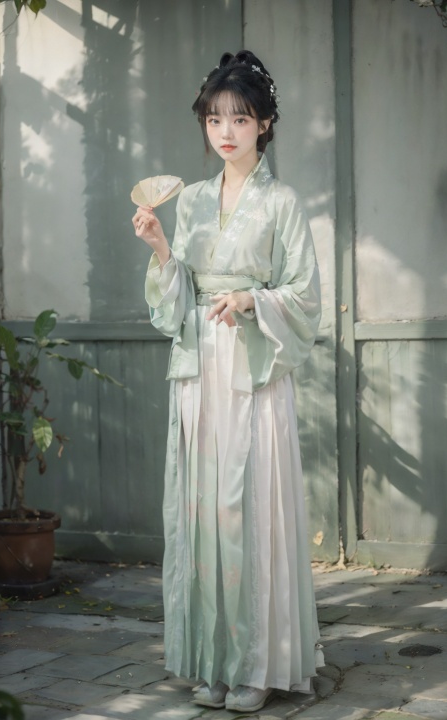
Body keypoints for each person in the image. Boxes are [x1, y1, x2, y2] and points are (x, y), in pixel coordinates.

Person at [132, 50, 324, 713]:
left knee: (248, 513)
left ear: (265, 123)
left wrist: (252, 301)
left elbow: (305, 296)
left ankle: (257, 666)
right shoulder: (188, 200)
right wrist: (161, 246)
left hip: (254, 368)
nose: (226, 130)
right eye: (215, 117)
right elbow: (176, 298)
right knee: (204, 517)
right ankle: (213, 662)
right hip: (198, 370)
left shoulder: (283, 202)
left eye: (240, 117)